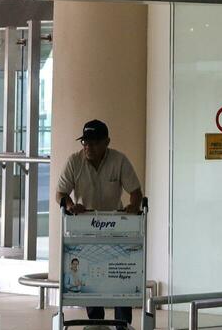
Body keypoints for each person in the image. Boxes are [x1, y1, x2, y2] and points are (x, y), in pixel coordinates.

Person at [56, 120, 143, 327]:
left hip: (116, 230)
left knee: (121, 278)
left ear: (107, 142)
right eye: (85, 142)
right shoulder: (74, 162)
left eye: (94, 143)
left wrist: (133, 206)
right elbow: (60, 192)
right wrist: (69, 205)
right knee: (90, 278)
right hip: (85, 230)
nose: (88, 147)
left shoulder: (119, 161)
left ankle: (123, 324)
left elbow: (136, 192)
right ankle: (96, 323)